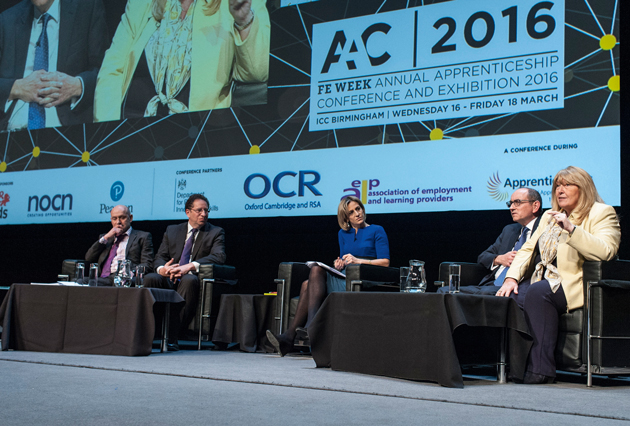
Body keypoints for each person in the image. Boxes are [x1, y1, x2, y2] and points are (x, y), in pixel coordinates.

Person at [496, 166, 620, 384]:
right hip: (545, 280)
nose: (560, 190)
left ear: (583, 188)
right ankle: (516, 368)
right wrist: (511, 278)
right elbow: (528, 249)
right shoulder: (549, 216)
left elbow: (607, 251)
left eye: (567, 185)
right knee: (513, 295)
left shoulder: (602, 212)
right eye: (557, 186)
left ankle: (541, 370)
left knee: (538, 292)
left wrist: (572, 229)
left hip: (576, 283)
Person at [93, 0, 270, 122]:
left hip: (195, 136)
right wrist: (107, 131)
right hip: (130, 129)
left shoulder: (239, 4)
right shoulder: (142, 3)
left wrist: (244, 22)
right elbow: (112, 69)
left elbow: (257, 72)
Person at [267, 195, 390, 356]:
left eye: (358, 209)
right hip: (344, 275)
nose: (357, 214)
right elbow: (343, 259)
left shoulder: (377, 230)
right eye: (351, 212)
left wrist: (358, 260)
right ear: (346, 218)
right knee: (310, 278)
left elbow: (385, 262)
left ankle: (304, 330)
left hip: (360, 279)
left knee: (312, 276)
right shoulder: (342, 234)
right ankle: (290, 337)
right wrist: (338, 264)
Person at [0, 0, 109, 131]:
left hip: (67, 132)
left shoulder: (87, 9)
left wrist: (77, 86)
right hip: (11, 133)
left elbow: (107, 71)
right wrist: (17, 88)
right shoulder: (7, 20)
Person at [143, 193, 226, 350]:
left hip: (191, 279)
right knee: (151, 278)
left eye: (206, 210)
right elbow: (160, 257)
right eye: (199, 210)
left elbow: (219, 256)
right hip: (169, 276)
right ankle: (146, 333)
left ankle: (172, 336)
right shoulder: (173, 230)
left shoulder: (215, 232)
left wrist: (189, 266)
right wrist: (163, 269)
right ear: (188, 212)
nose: (204, 214)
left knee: (189, 280)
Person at [438, 188, 543, 295]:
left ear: (535, 206)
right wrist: (499, 259)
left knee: (482, 296)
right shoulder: (510, 230)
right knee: (444, 291)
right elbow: (483, 256)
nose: (511, 208)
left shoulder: (545, 230)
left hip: (517, 287)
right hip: (491, 284)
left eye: (517, 203)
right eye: (510, 204)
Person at [84, 205, 154, 285]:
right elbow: (89, 258)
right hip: (104, 278)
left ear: (130, 218)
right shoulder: (106, 238)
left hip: (125, 278)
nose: (118, 222)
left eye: (122, 218)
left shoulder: (142, 237)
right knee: (80, 281)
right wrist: (106, 237)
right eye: (114, 218)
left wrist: (131, 272)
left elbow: (147, 263)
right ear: (111, 220)